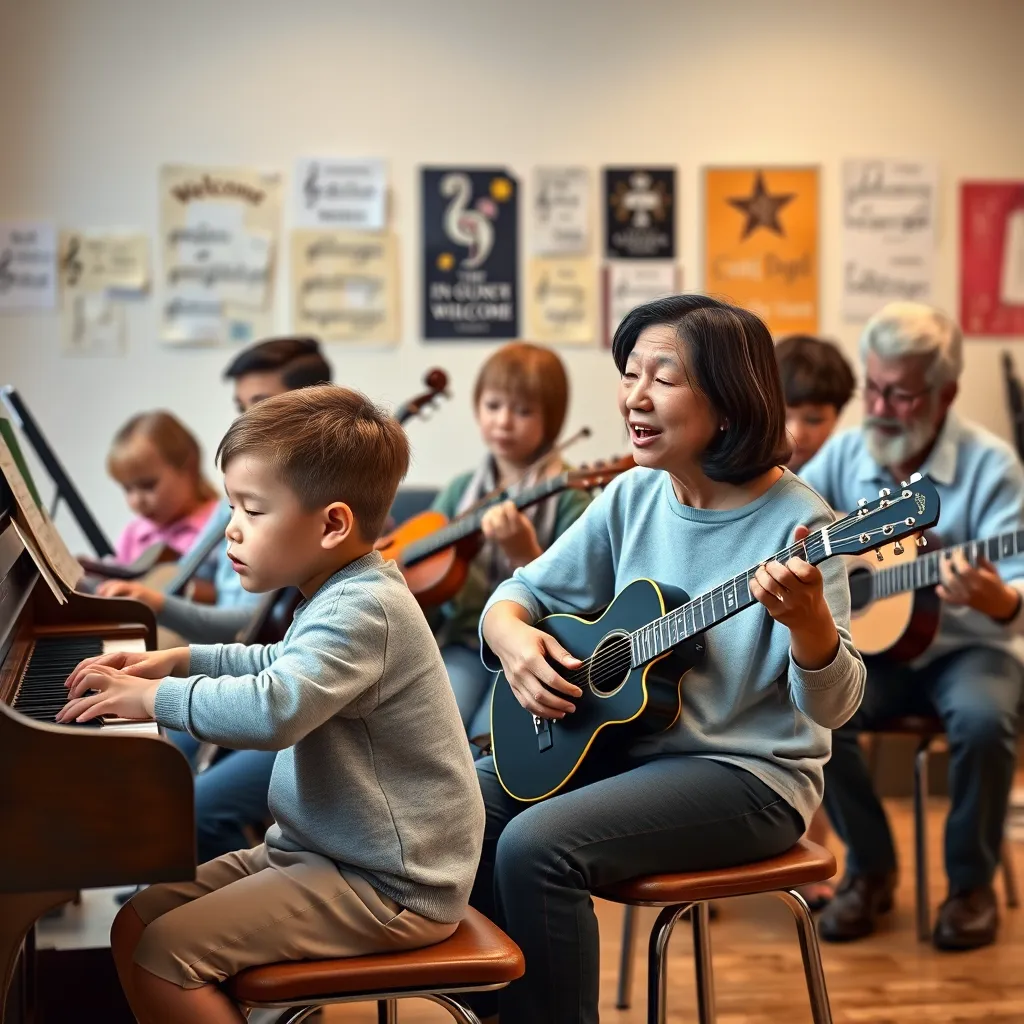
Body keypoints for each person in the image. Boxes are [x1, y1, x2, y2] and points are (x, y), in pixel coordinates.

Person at [468, 295, 866, 1023]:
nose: (635, 397)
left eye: (664, 377)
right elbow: (518, 591)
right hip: (632, 750)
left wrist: (810, 625)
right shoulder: (632, 495)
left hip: (750, 777)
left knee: (535, 846)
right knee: (460, 802)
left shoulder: (803, 526)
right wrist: (514, 640)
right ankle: (494, 1008)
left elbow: (834, 709)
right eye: (629, 374)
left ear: (729, 402)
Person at [58, 385, 485, 1024]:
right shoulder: (336, 590)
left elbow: (274, 708)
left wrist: (154, 697)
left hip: (389, 883)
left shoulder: (365, 607)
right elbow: (276, 663)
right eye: (232, 504)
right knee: (138, 920)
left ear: (332, 523)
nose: (230, 526)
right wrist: (179, 660)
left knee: (162, 954)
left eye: (251, 510)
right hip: (322, 852)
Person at [801, 301, 1024, 951]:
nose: (878, 406)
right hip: (876, 656)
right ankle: (870, 871)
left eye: (898, 393)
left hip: (969, 650)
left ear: (946, 392)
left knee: (985, 722)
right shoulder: (845, 455)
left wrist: (996, 599)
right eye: (872, 387)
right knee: (814, 709)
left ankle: (970, 886)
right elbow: (787, 528)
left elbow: (1018, 580)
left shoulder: (992, 468)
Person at [99, 335, 333, 865]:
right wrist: (177, 662)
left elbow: (273, 682)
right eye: (240, 408)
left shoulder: (318, 540)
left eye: (260, 407)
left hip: (305, 724)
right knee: (154, 771)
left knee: (191, 804)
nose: (232, 530)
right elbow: (268, 650)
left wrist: (159, 685)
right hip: (266, 688)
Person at [429, 342, 591, 750]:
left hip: (532, 651)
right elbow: (423, 578)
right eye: (493, 405)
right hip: (463, 642)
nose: (503, 422)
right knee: (433, 733)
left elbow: (584, 598)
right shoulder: (460, 492)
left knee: (488, 744)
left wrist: (525, 553)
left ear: (551, 421)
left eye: (523, 411)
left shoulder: (572, 497)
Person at [776, 333, 857, 910]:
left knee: (825, 712)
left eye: (816, 418)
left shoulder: (844, 479)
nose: (799, 433)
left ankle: (825, 848)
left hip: (827, 648)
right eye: (786, 413)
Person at [106, 411, 219, 566]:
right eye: (127, 489)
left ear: (188, 468)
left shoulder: (221, 524)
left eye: (148, 485)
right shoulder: (133, 535)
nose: (137, 501)